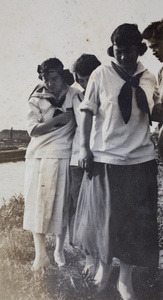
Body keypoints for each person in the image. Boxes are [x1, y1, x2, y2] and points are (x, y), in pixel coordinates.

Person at [73, 24, 160, 299]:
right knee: (105, 223)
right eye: (118, 52)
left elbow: (155, 111)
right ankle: (103, 272)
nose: (123, 57)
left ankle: (125, 280)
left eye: (129, 51)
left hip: (141, 159)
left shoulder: (149, 77)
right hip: (106, 159)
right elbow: (87, 112)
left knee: (134, 225)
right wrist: (84, 149)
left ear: (139, 50)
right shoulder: (101, 73)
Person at [23, 58, 79, 271]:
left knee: (61, 205)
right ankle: (40, 254)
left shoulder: (74, 94)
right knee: (39, 204)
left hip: (64, 154)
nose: (49, 83)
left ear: (62, 76)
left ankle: (59, 249)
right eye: (45, 79)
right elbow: (32, 130)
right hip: (39, 155)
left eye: (54, 78)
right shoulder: (37, 98)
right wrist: (56, 121)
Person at [69, 54, 101, 276]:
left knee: (96, 210)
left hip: (98, 158)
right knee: (78, 211)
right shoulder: (75, 97)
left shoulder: (105, 93)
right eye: (79, 79)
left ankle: (99, 260)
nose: (83, 83)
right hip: (75, 160)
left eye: (87, 78)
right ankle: (88, 258)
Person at [143, 20, 163, 270]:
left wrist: (143, 107)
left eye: (156, 46)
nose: (153, 51)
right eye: (150, 48)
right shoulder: (161, 72)